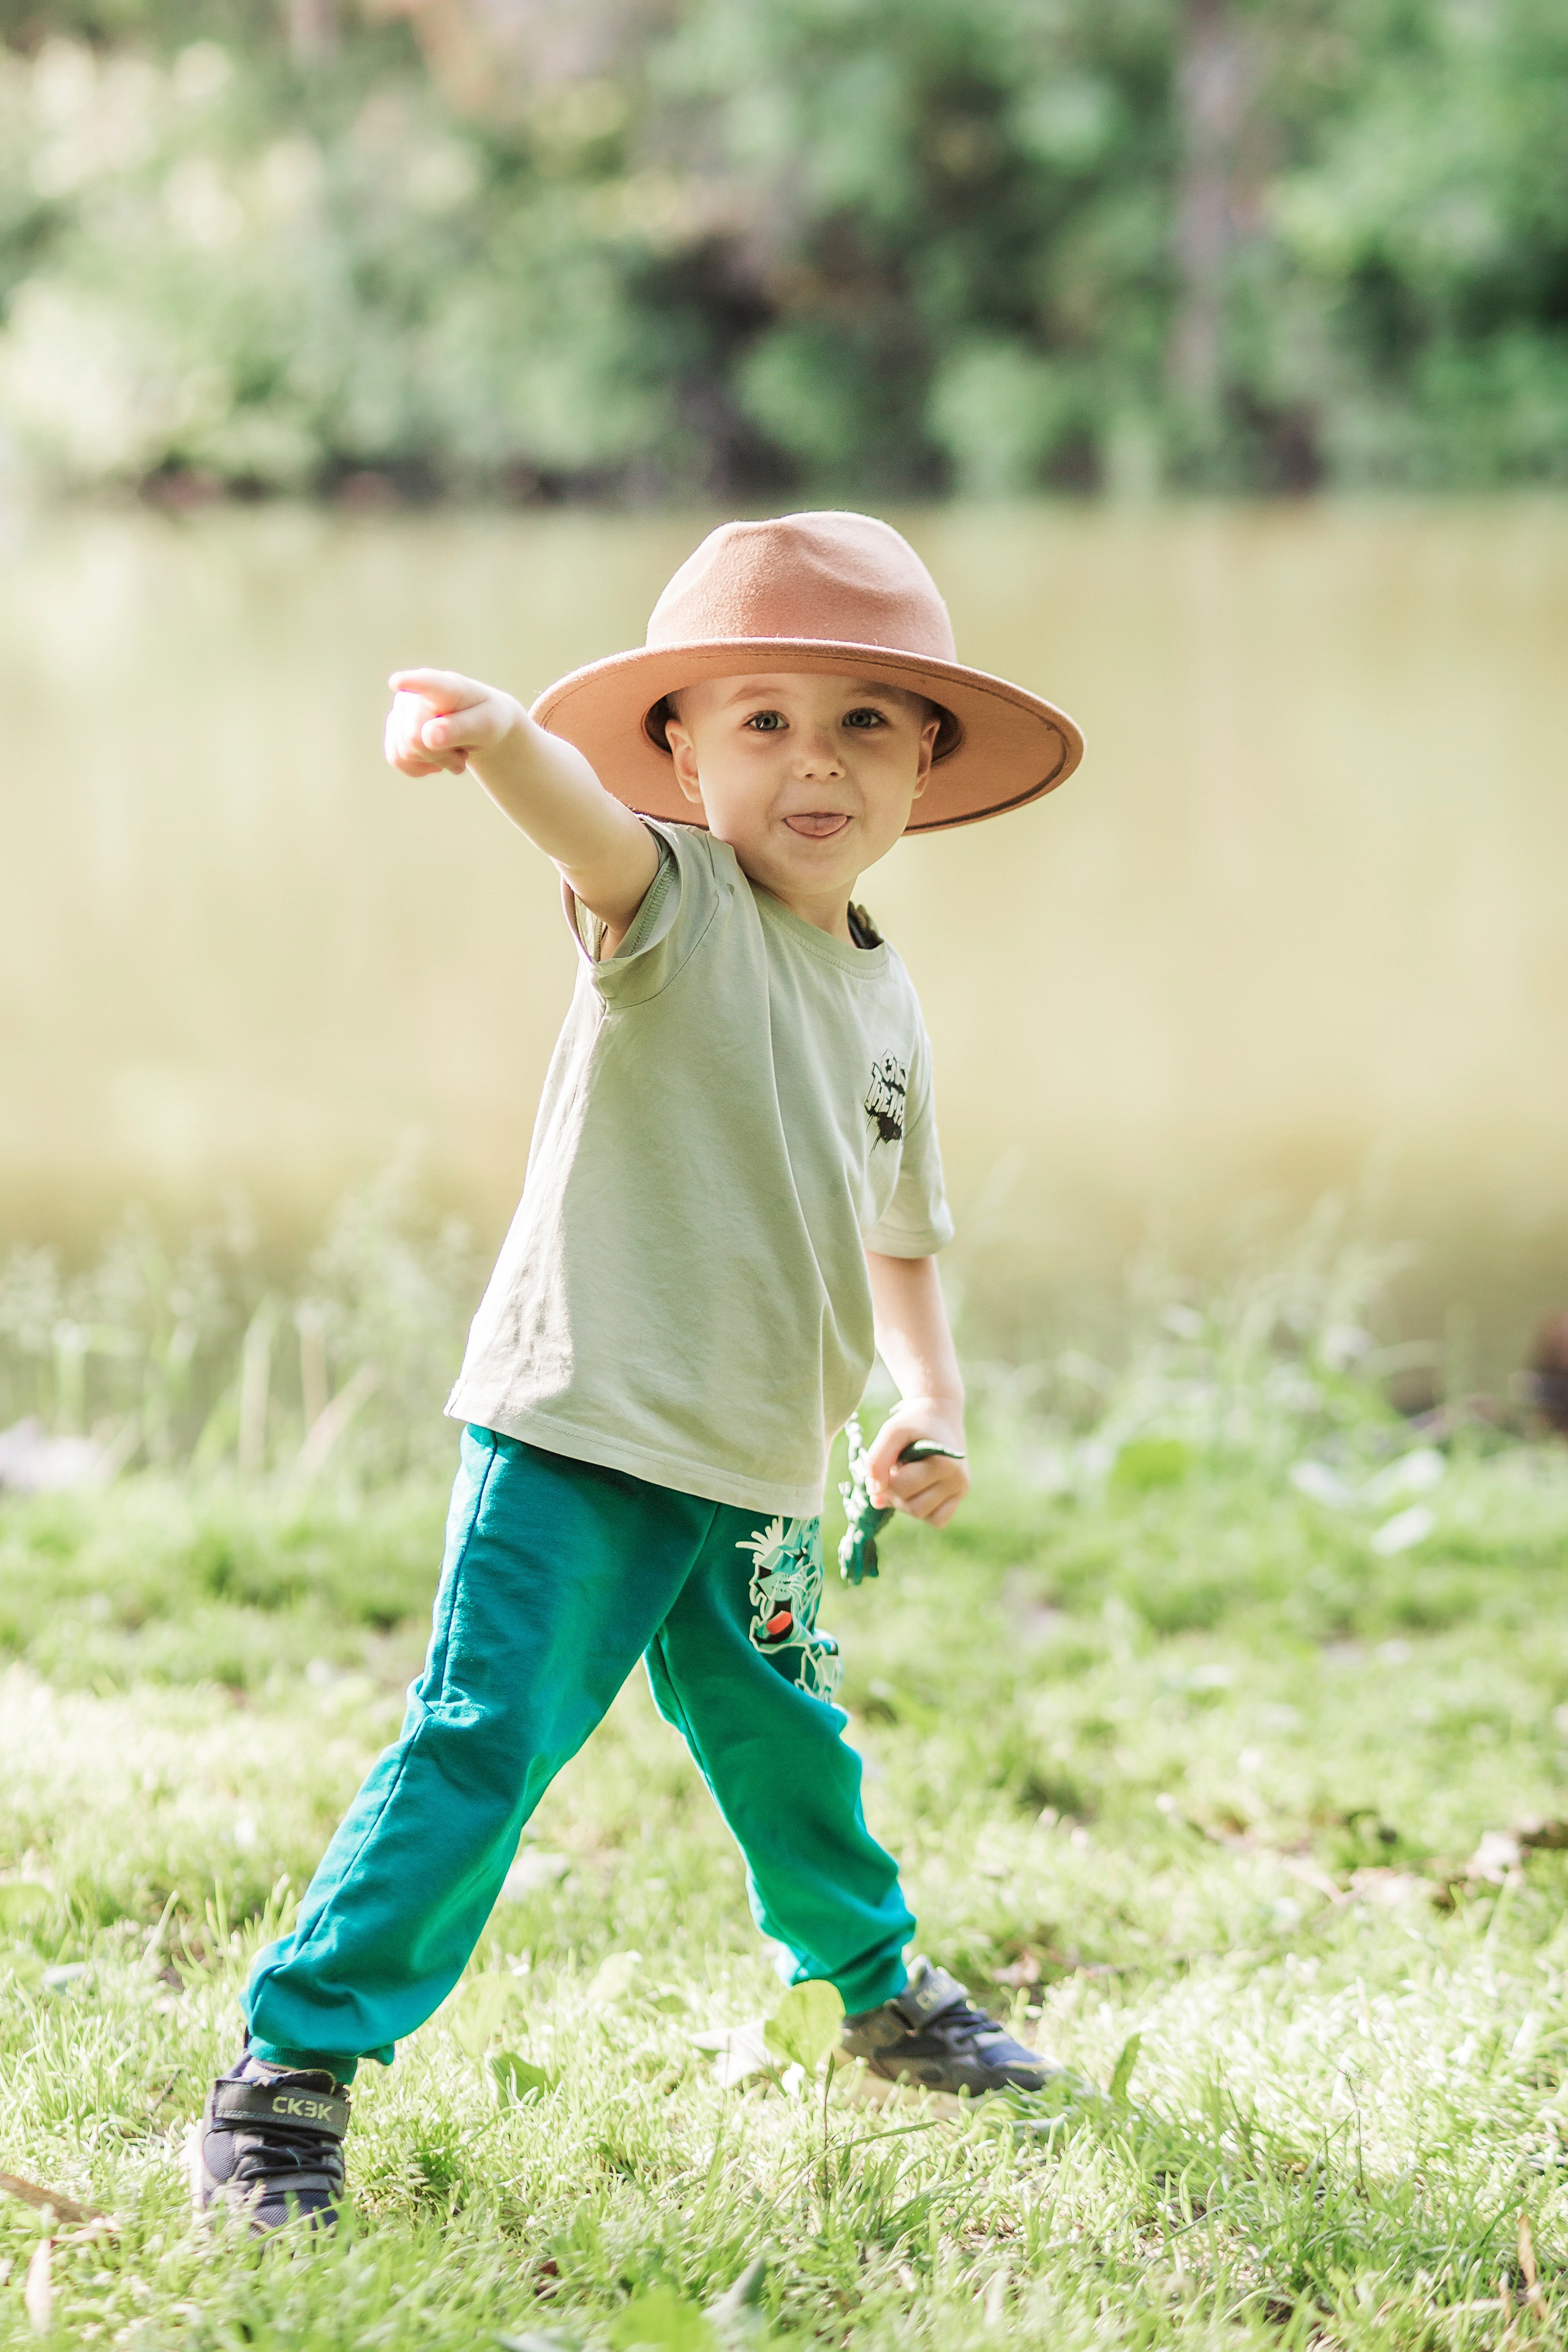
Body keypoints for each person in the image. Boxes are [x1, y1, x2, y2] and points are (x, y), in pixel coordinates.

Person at [190, 510, 1084, 2231]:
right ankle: (287, 2074)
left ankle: (882, 1990)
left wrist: (930, 1398)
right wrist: (495, 734)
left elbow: (904, 1220)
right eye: (760, 718)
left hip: (761, 1466)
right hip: (582, 1432)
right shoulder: (672, 910)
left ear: (925, 764)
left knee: (791, 1746)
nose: (813, 764)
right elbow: (581, 832)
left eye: (864, 723)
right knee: (484, 1738)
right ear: (680, 749)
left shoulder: (884, 991)